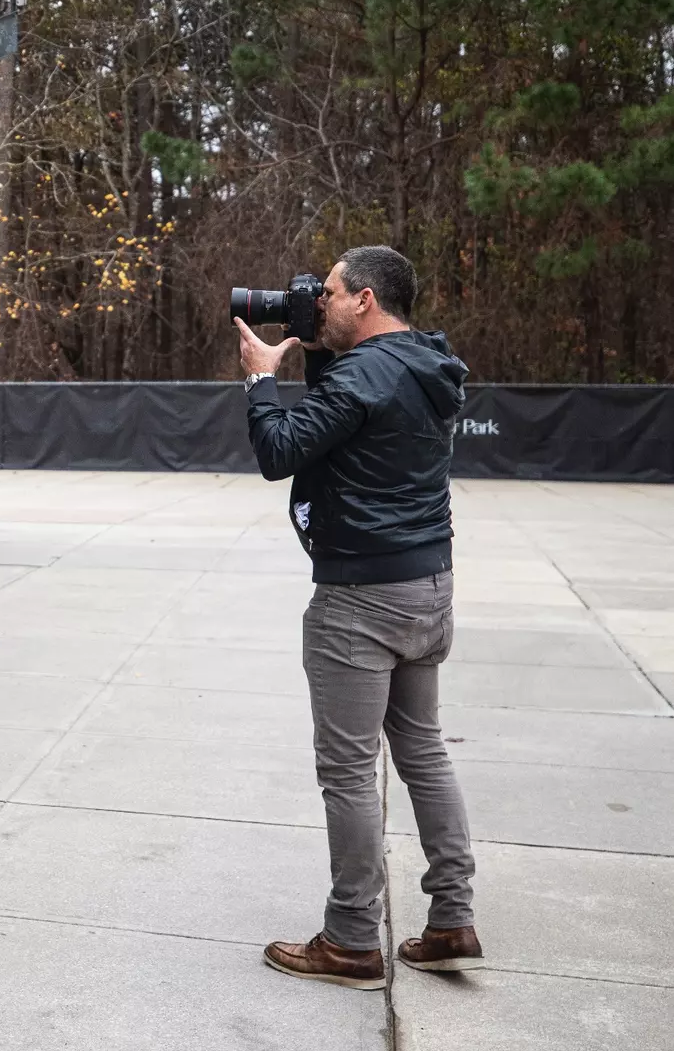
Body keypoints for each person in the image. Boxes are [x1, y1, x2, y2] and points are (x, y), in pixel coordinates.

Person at [234, 245, 483, 990]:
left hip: (359, 601)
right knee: (424, 751)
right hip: (427, 586)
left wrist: (258, 381)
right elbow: (354, 415)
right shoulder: (425, 364)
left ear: (366, 299)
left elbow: (280, 450)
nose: (320, 303)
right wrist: (316, 348)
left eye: (332, 294)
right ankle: (451, 920)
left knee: (348, 771)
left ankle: (350, 941)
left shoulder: (362, 377)